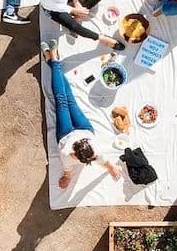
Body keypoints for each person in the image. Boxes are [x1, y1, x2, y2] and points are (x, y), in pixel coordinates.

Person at [43, 42, 121, 191]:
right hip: (78, 131)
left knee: (62, 100)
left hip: (68, 133)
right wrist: (67, 177)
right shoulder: (67, 154)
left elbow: (102, 160)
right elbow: (68, 171)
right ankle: (53, 61)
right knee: (68, 98)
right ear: (75, 154)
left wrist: (111, 168)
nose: (93, 159)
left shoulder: (84, 151)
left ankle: (53, 61)